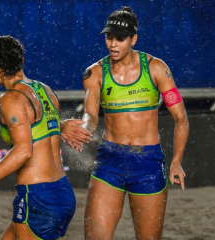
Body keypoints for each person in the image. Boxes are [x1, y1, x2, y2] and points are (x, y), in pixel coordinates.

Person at [61, 6, 189, 240]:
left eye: (120, 39)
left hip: (148, 164)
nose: (113, 44)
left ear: (134, 39)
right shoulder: (95, 73)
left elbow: (181, 118)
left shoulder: (157, 68)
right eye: (109, 38)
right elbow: (91, 117)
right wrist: (77, 129)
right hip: (110, 160)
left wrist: (176, 162)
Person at [0, 35, 76, 240]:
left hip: (38, 197)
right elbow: (45, 129)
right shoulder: (44, 89)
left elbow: (23, 151)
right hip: (62, 192)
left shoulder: (10, 99)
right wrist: (63, 125)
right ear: (21, 60)